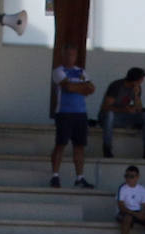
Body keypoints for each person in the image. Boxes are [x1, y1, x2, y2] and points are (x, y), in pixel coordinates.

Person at [50, 44, 96, 190]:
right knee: (61, 144)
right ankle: (55, 175)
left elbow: (91, 89)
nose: (71, 57)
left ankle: (80, 177)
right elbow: (67, 87)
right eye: (68, 54)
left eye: (73, 55)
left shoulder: (81, 71)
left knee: (79, 146)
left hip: (80, 113)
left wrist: (77, 87)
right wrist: (82, 87)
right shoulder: (58, 71)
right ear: (63, 55)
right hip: (64, 112)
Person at [101, 67, 145, 160]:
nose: (141, 82)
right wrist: (124, 110)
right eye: (141, 80)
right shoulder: (117, 86)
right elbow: (106, 108)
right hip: (108, 118)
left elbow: (139, 109)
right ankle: (107, 149)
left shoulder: (137, 88)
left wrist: (136, 96)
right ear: (134, 80)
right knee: (110, 115)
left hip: (123, 117)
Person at [116, 165, 145, 234]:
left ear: (137, 177)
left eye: (131, 176)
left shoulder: (142, 189)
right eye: (126, 176)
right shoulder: (122, 188)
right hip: (125, 212)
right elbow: (121, 207)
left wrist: (144, 213)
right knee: (127, 218)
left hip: (137, 212)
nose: (128, 179)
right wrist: (136, 214)